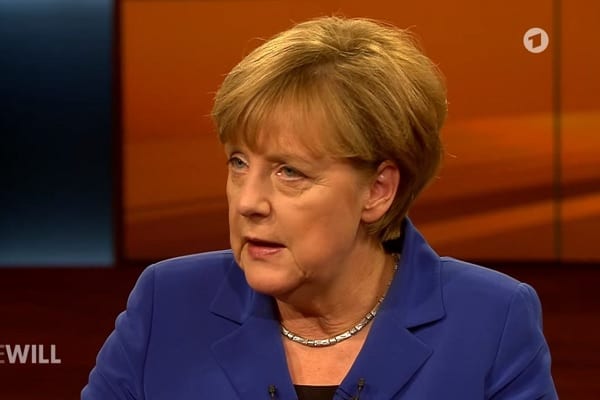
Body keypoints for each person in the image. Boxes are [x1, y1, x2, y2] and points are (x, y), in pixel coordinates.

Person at [82, 16, 558, 399]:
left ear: (378, 190)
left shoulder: (490, 320)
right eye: (239, 163)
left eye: (290, 171)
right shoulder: (167, 303)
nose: (248, 202)